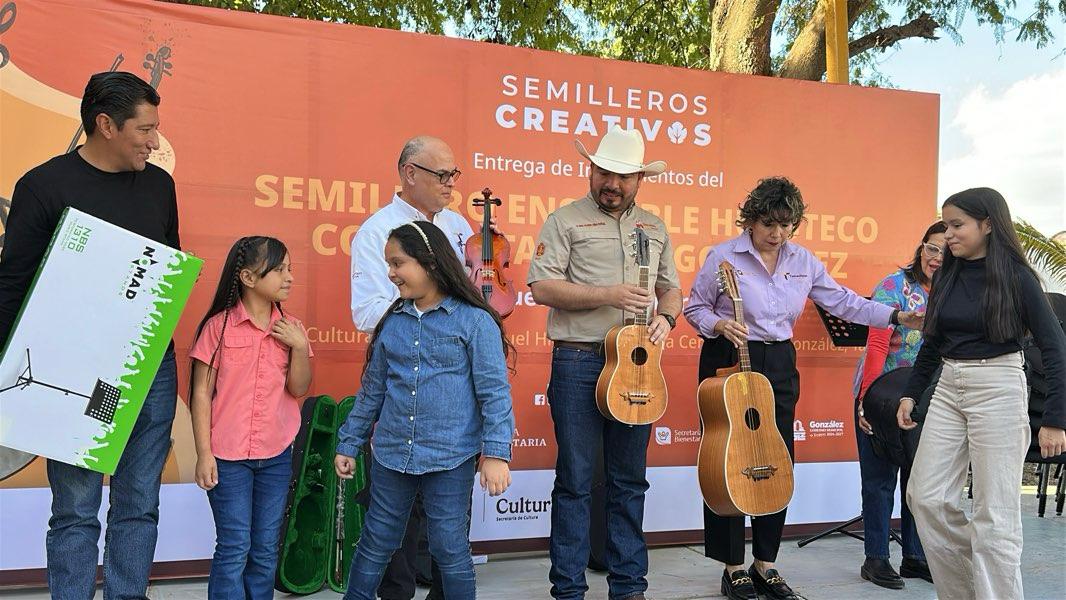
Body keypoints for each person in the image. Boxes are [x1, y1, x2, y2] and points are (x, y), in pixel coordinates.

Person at [683, 176, 924, 600]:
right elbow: (695, 307)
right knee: (727, 459)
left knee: (776, 460)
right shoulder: (723, 256)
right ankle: (732, 567)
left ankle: (766, 564)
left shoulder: (803, 261)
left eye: (786, 225)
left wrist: (896, 317)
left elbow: (845, 302)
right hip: (728, 355)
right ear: (751, 219)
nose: (777, 234)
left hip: (779, 360)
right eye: (769, 224)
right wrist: (718, 324)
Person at [0, 71, 180, 598]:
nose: (154, 141)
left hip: (149, 367)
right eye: (144, 129)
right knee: (76, 509)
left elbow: (167, 262)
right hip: (72, 374)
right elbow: (12, 284)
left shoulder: (160, 185)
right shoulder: (43, 186)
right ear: (105, 124)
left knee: (139, 503)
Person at [528, 126, 682, 600]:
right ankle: (568, 590)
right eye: (603, 173)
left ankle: (629, 588)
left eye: (622, 176)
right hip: (578, 361)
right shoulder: (564, 220)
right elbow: (542, 287)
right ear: (591, 170)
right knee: (575, 481)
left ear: (640, 179)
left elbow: (670, 289)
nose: (611, 184)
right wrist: (608, 294)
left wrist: (667, 318)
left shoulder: (655, 227)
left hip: (637, 362)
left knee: (629, 481)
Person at [898, 188, 1066, 600]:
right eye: (946, 225)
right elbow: (933, 341)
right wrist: (911, 393)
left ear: (987, 224)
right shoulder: (948, 274)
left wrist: (1055, 419)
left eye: (957, 225)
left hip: (999, 386)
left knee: (996, 519)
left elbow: (1055, 348)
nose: (948, 235)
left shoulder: (1018, 277)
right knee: (926, 498)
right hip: (948, 387)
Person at [335, 221, 515, 600]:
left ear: (430, 262)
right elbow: (372, 391)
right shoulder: (392, 322)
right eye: (389, 264)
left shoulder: (475, 321)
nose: (390, 273)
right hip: (391, 455)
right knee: (376, 540)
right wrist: (349, 442)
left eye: (398, 263)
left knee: (449, 547)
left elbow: (495, 394)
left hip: (451, 457)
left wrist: (496, 454)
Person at [349, 135, 475, 600]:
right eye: (442, 175)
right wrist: (427, 312)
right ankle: (395, 592)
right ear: (409, 173)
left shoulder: (460, 226)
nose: (450, 183)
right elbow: (366, 312)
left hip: (455, 386)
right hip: (403, 383)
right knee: (391, 515)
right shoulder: (376, 231)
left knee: (449, 518)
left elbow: (472, 301)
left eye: (453, 174)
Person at [188, 236, 313, 599]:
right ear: (247, 277)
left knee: (265, 548)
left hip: (275, 455)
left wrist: (299, 346)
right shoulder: (218, 328)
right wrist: (204, 454)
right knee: (234, 546)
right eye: (279, 270)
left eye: (290, 269)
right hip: (228, 458)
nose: (289, 277)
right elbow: (201, 394)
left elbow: (299, 387)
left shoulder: (292, 329)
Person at [852, 222, 946, 589]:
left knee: (918, 479)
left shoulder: (954, 293)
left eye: (946, 252)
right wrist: (866, 400)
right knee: (879, 480)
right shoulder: (893, 286)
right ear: (921, 247)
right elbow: (877, 344)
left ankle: (915, 556)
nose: (937, 258)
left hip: (926, 398)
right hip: (880, 394)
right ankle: (875, 557)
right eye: (932, 248)